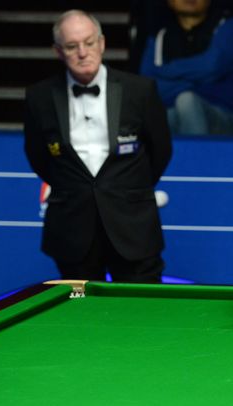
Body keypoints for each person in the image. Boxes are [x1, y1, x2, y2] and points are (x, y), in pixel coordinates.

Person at [24, 10, 172, 283]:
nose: (83, 52)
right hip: (72, 230)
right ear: (58, 51)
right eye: (72, 46)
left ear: (102, 43)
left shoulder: (140, 90)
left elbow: (160, 150)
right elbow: (38, 156)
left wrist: (128, 188)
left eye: (89, 42)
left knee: (143, 316)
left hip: (133, 227)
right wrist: (76, 188)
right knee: (81, 319)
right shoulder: (39, 97)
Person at [139, 0, 233, 135]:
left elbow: (211, 67)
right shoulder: (159, 35)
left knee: (187, 101)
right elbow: (148, 86)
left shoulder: (230, 27)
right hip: (173, 111)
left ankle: (195, 156)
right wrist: (198, 81)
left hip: (224, 117)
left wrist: (166, 71)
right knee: (160, 118)